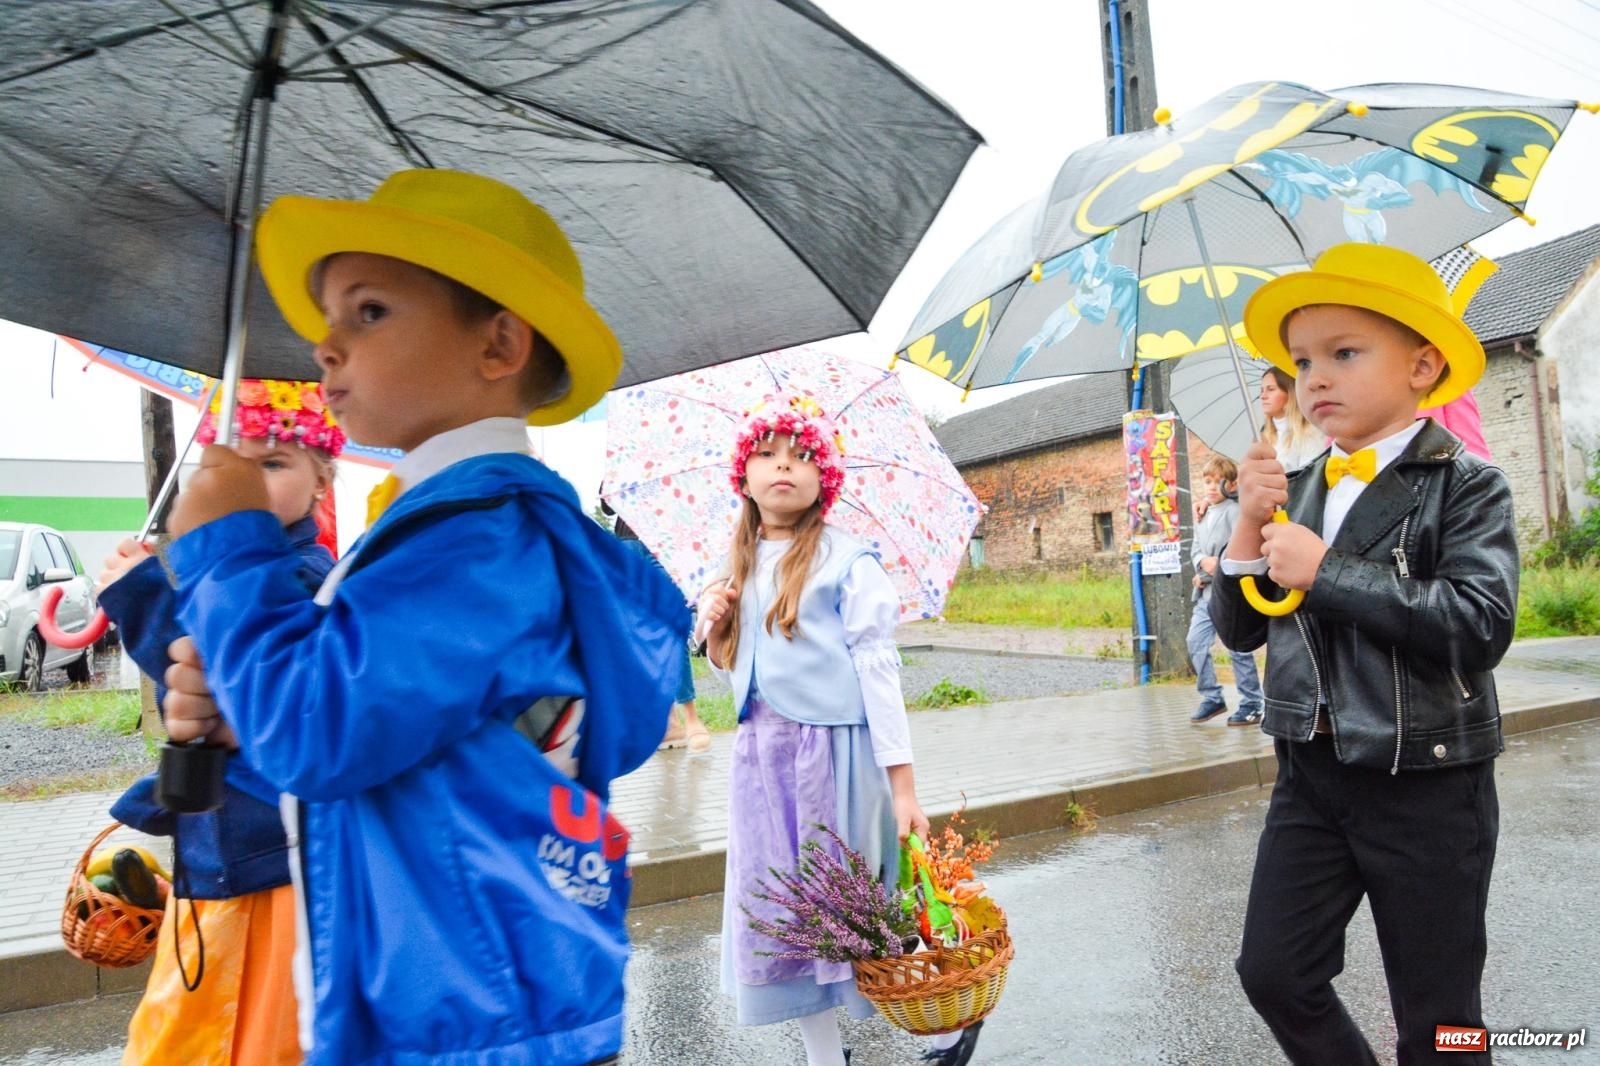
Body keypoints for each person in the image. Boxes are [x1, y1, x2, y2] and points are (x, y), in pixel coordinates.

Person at [155, 169, 688, 1065]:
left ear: (499, 345)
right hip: (459, 1002)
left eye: (368, 313)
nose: (326, 347)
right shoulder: (448, 527)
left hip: (466, 1021)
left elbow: (317, 734)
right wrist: (243, 707)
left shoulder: (476, 544)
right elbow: (380, 738)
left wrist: (229, 549)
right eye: (328, 320)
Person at [1210, 243, 1518, 1066]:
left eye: (1345, 353)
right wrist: (1249, 525)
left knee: (1441, 1018)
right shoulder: (1299, 486)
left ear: (1423, 366)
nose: (1315, 378)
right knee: (1274, 972)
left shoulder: (1465, 483)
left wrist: (1328, 572)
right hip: (1310, 775)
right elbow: (1241, 633)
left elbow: (1480, 623)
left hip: (1426, 781)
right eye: (1304, 359)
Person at [695, 395, 981, 1066]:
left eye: (801, 456)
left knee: (854, 909)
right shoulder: (732, 564)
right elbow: (735, 675)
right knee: (789, 914)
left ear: (825, 477)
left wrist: (902, 788)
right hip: (764, 763)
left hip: (836, 760)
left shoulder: (850, 563)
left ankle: (944, 1033)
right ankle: (826, 1056)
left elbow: (879, 676)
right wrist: (713, 627)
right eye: (765, 454)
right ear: (743, 476)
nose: (783, 467)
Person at [99, 380, 344, 1066]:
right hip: (219, 854)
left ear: (321, 479)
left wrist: (140, 593)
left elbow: (220, 660)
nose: (249, 483)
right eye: (229, 466)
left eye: (273, 465)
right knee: (190, 1026)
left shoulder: (300, 578)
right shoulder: (227, 568)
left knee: (254, 1031)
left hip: (268, 862)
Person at [600, 500, 711, 753]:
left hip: (665, 544)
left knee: (673, 628)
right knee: (646, 636)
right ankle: (668, 721)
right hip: (628, 545)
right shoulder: (622, 461)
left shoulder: (675, 461)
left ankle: (691, 715)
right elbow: (608, 507)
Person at [1186, 455, 1263, 727]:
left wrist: (1211, 569)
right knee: (1195, 642)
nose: (1210, 487)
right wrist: (1200, 566)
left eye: (1217, 482)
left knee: (1237, 648)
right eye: (1206, 481)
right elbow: (1196, 549)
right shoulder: (1202, 514)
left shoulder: (1235, 511)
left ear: (1230, 484)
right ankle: (1211, 696)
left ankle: (1252, 702)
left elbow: (1235, 552)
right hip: (1205, 594)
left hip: (1230, 595)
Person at [1258, 365, 1324, 472]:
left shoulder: (1310, 433)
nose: (1263, 396)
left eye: (1271, 389)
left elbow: (1307, 479)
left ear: (1290, 393)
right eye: (1262, 390)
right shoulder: (1263, 437)